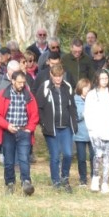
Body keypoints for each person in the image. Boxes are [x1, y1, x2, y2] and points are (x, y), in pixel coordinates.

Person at [0, 70, 39, 195]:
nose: (21, 85)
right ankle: (10, 183)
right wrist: (7, 125)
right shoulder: (3, 94)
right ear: (12, 81)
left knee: (24, 158)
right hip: (8, 132)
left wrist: (30, 128)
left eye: (23, 82)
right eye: (19, 82)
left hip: (24, 131)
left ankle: (26, 182)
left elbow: (35, 114)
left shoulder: (28, 95)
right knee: (8, 160)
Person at [35, 64, 77, 192]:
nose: (58, 79)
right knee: (55, 156)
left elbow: (72, 106)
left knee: (68, 154)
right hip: (51, 128)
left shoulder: (68, 87)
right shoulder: (45, 87)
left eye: (60, 76)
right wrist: (43, 123)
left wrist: (73, 123)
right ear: (51, 75)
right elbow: (39, 107)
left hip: (65, 127)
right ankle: (56, 180)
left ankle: (65, 177)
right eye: (56, 76)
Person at [84, 69, 109, 194]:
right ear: (97, 79)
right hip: (95, 130)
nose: (104, 81)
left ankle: (105, 182)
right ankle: (95, 178)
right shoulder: (91, 95)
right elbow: (87, 112)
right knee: (97, 155)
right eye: (102, 78)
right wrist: (91, 128)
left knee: (107, 156)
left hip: (108, 130)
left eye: (106, 78)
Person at [73, 78, 92, 187]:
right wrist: (83, 114)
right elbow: (74, 116)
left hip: (92, 133)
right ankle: (83, 179)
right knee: (81, 158)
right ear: (80, 88)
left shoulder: (94, 99)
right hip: (80, 133)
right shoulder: (74, 100)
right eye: (85, 87)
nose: (87, 90)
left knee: (94, 157)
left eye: (89, 88)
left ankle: (95, 177)